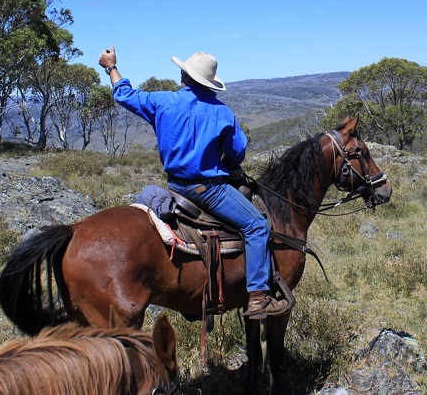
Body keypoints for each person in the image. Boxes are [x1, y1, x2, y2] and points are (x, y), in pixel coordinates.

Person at [98, 46, 290, 319]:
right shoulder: (223, 114)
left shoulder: (162, 101)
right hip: (209, 191)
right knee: (257, 226)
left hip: (176, 187)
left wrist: (111, 67)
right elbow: (238, 153)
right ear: (210, 83)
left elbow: (124, 95)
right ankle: (259, 297)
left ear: (183, 76)